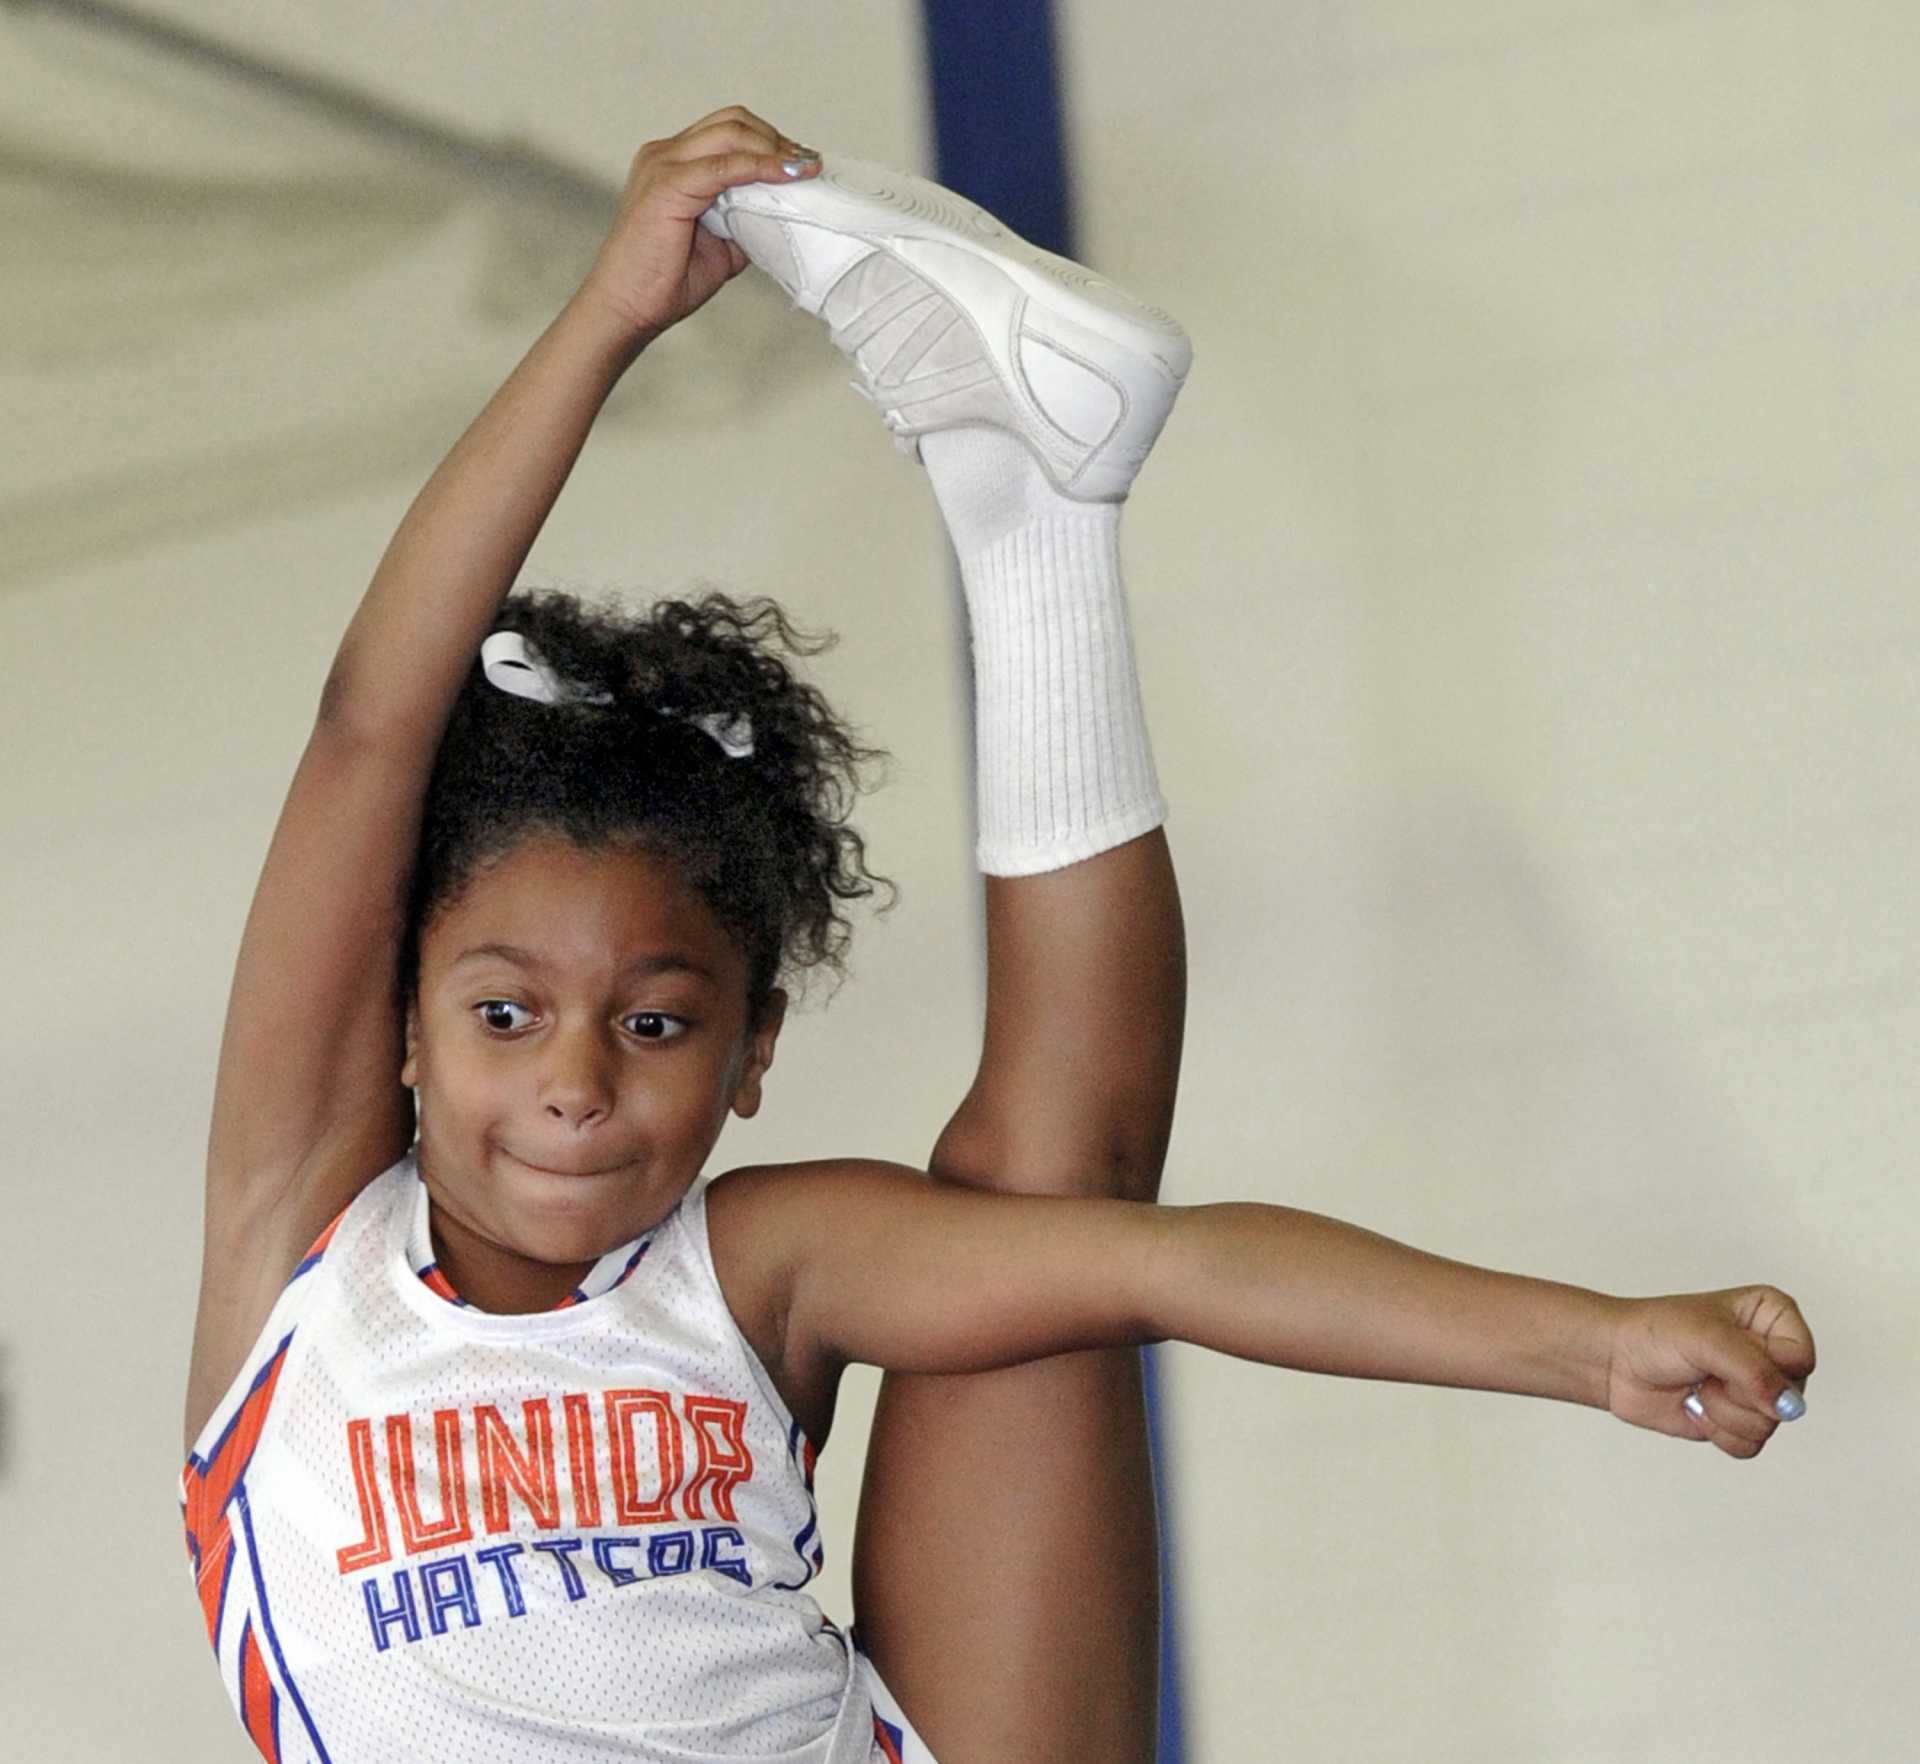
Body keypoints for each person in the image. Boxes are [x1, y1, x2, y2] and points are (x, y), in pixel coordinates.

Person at [179, 108, 1814, 1764]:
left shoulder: (756, 1271)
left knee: (1053, 1215)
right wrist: (607, 314)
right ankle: (1029, 515)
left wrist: (1592, 1348)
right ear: (400, 1026)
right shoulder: (305, 1266)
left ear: (755, 1058)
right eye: (506, 1015)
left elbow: (1170, 1271)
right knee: (1052, 1227)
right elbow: (369, 734)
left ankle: (1037, 514)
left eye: (659, 1022)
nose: (577, 1084)